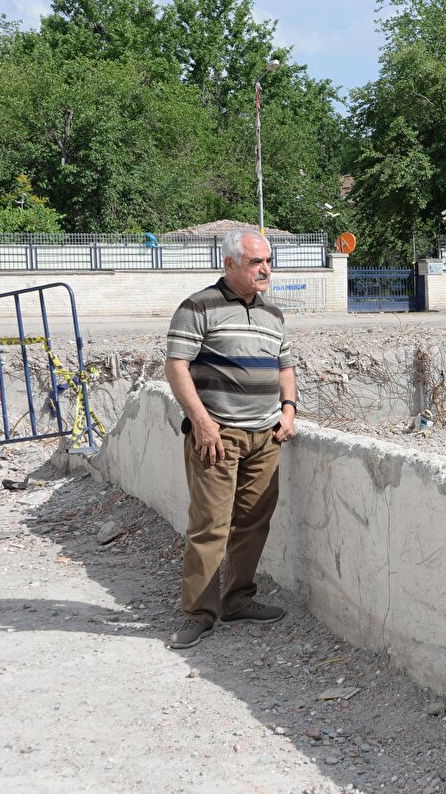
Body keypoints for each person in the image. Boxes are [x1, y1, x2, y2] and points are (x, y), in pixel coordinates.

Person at [163, 230, 297, 650]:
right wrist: (201, 422)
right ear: (230, 265)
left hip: (266, 438)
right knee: (210, 526)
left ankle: (237, 599)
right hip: (217, 438)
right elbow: (176, 367)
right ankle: (198, 614)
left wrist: (289, 409)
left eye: (268, 261)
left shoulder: (273, 313)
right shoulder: (198, 306)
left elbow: (285, 366)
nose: (265, 269)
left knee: (254, 521)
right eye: (256, 262)